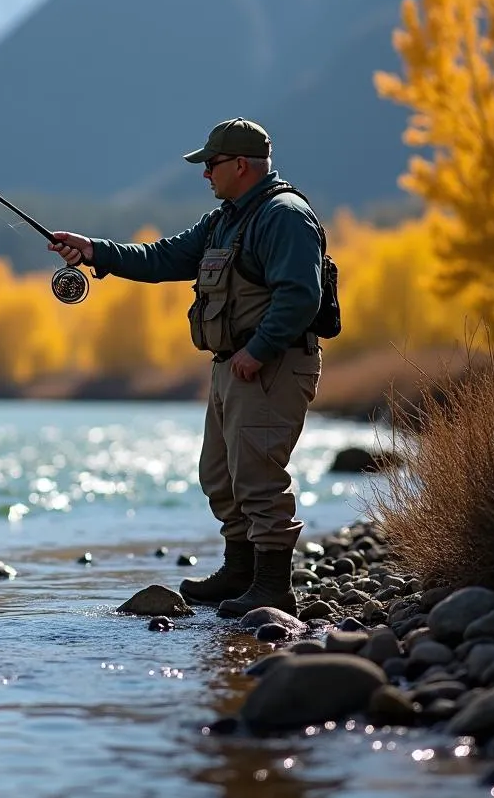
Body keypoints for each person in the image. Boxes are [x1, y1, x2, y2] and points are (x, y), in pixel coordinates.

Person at [48, 117, 323, 618]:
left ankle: (272, 589)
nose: (205, 175)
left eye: (211, 164)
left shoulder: (284, 216)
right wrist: (94, 251)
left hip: (271, 366)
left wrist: (257, 350)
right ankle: (239, 574)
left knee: (259, 475)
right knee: (220, 475)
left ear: (241, 165)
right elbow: (162, 258)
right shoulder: (225, 219)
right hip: (233, 368)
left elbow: (302, 295)